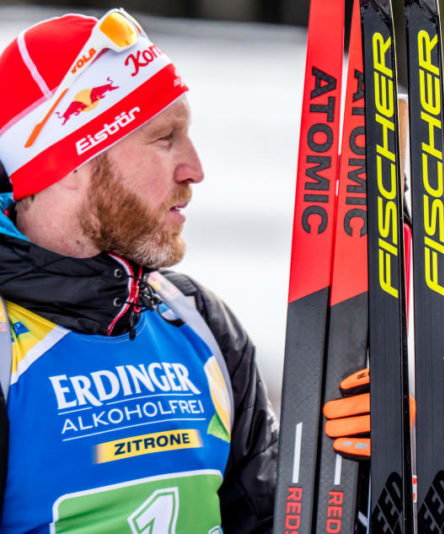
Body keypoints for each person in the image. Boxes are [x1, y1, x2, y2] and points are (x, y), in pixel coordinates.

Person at [0, 10, 276, 532]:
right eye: (164, 137)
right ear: (73, 161)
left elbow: (270, 519)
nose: (195, 168)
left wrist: (348, 468)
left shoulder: (198, 321)